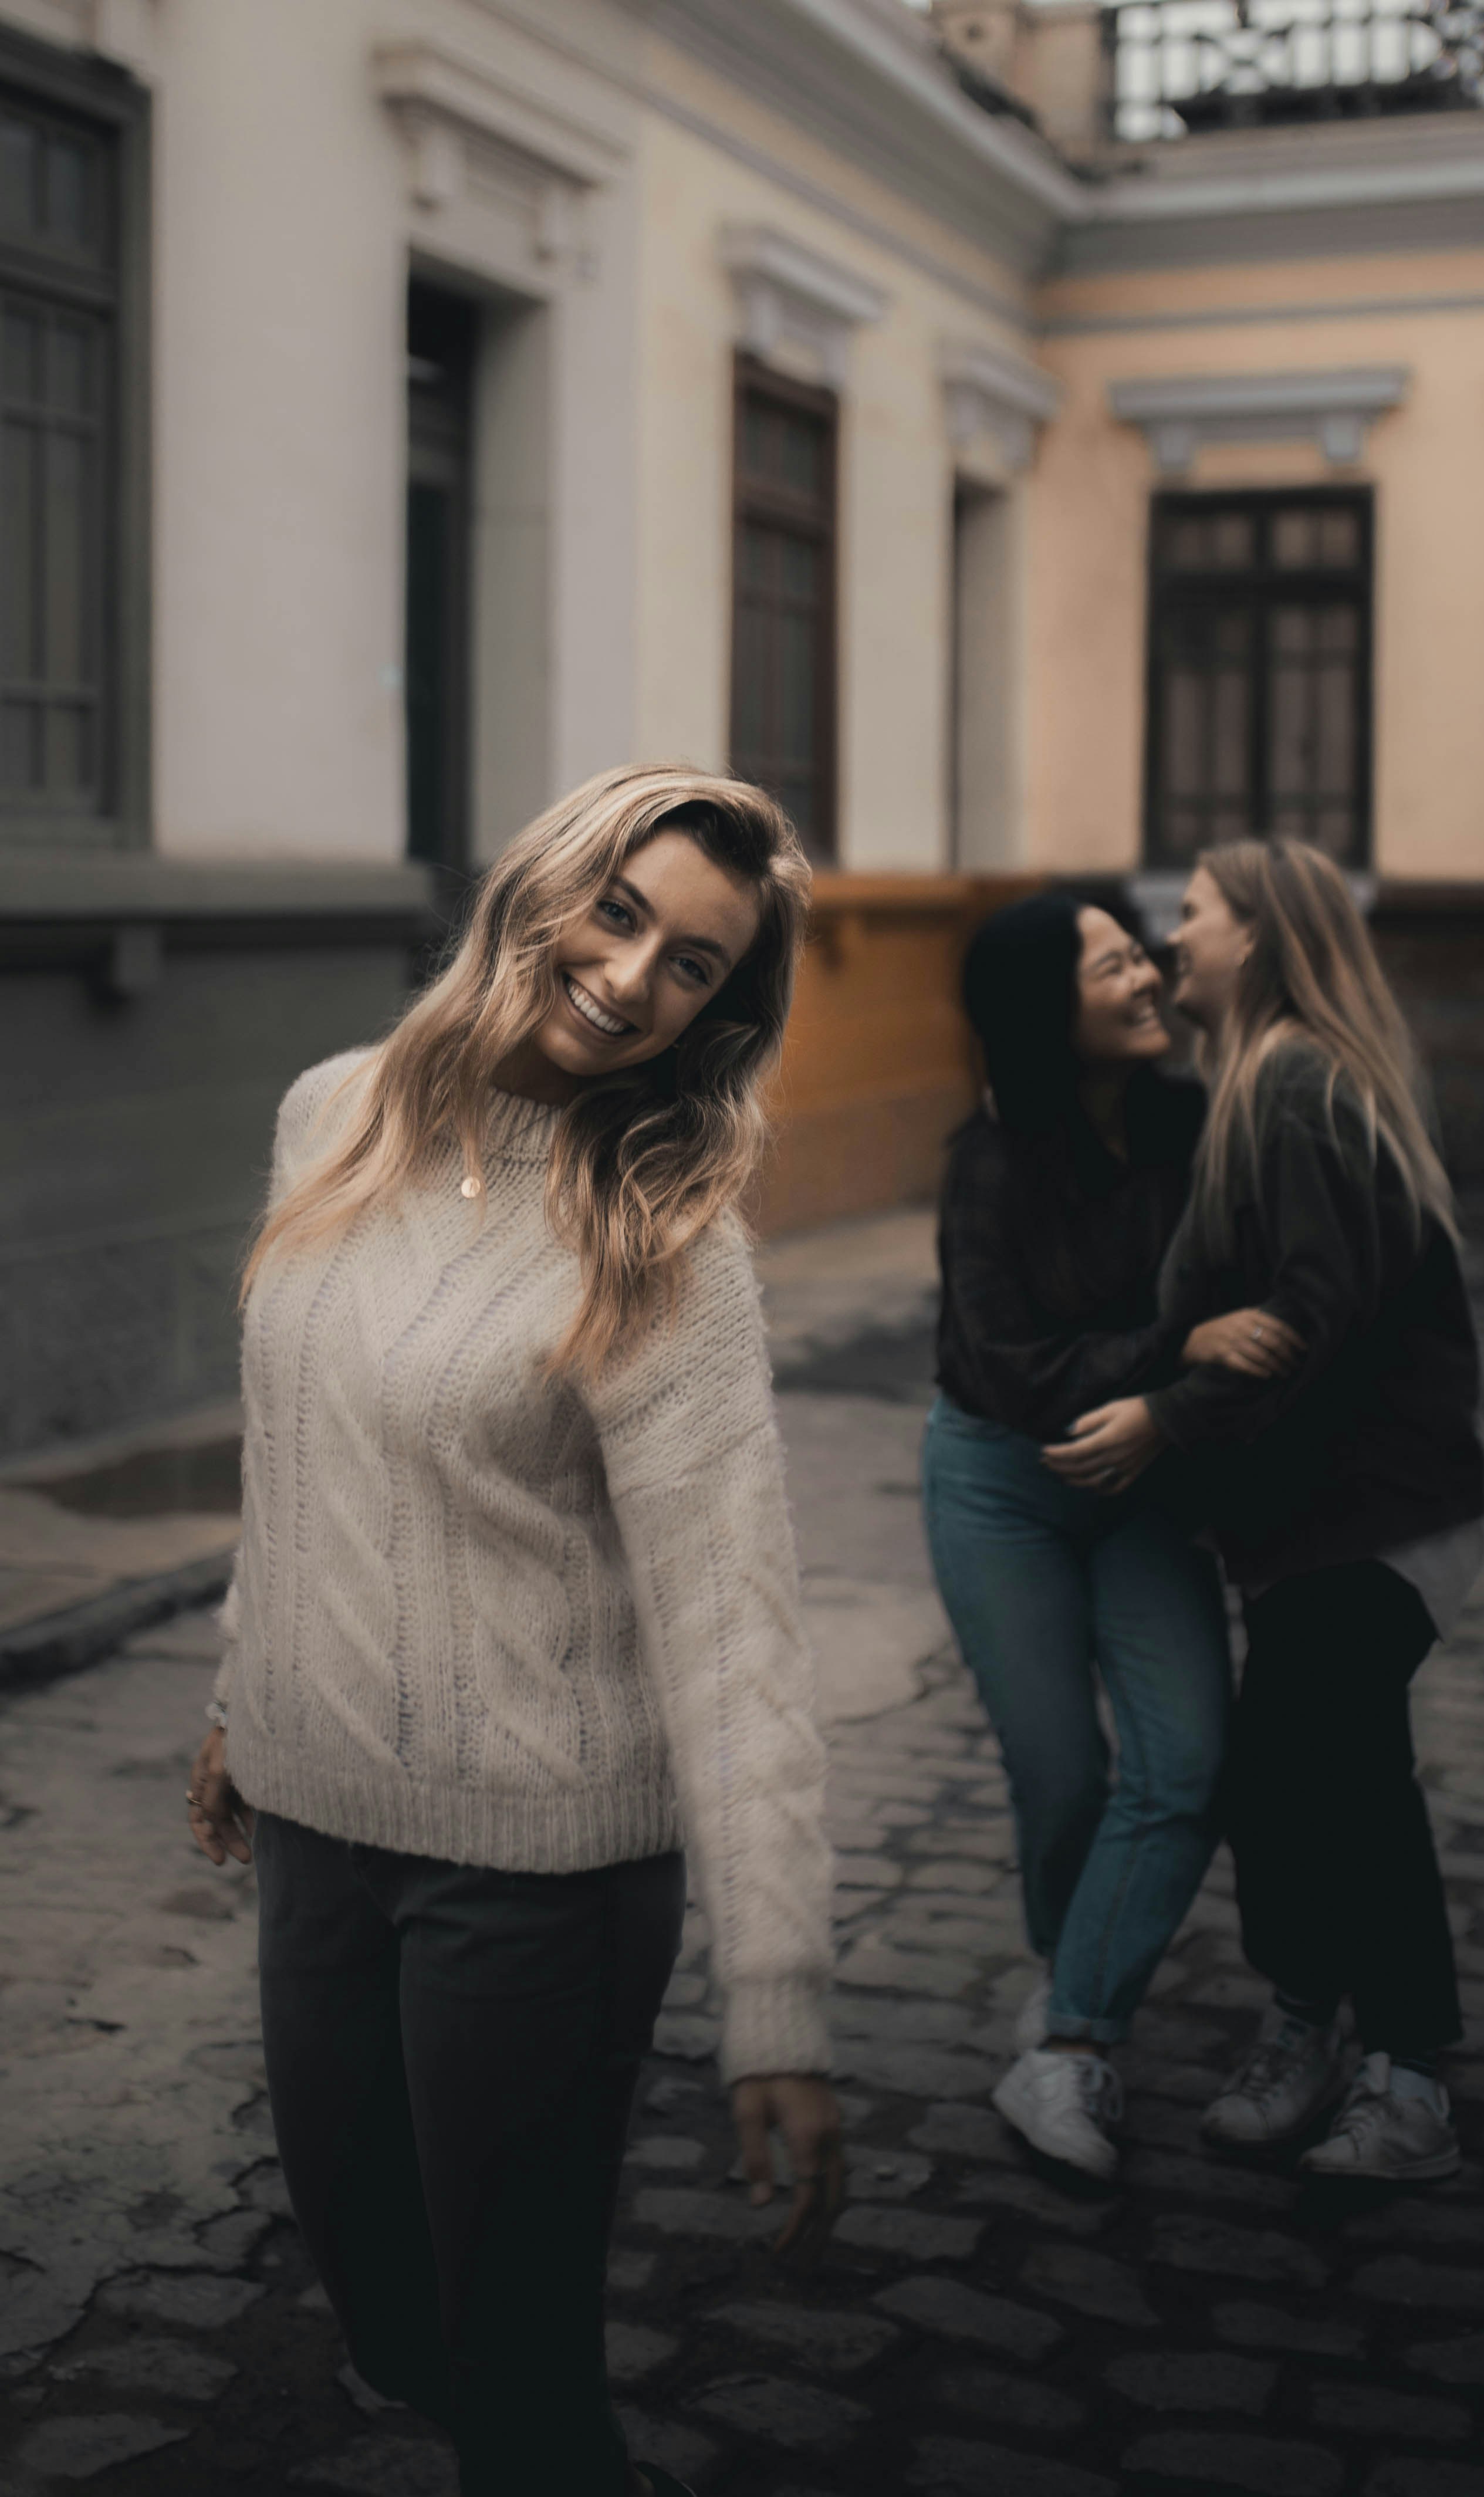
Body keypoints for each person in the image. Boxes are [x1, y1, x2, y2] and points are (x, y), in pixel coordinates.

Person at [184, 765, 843, 2497]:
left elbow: (734, 1625)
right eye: (617, 914)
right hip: (315, 1829)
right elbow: (296, 1441)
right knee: (385, 2313)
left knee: (517, 2374)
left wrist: (776, 2000)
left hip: (541, 1871)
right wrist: (244, 1688)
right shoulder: (330, 1112)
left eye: (692, 964)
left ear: (720, 1011)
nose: (631, 979)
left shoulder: (663, 1238)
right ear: (538, 888)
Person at [1044, 838, 1484, 2184]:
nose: (1174, 937)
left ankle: (1403, 2077)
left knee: (1333, 1781)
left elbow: (1312, 1317)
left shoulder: (1296, 1084)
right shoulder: (1257, 1081)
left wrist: (1162, 1419)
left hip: (1373, 1517)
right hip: (1317, 1525)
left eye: (1199, 915)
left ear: (1264, 939)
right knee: (1297, 1783)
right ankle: (1317, 2028)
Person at [921, 888, 1301, 2182]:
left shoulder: (1194, 1125)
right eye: (1111, 967)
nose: (1146, 977)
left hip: (1146, 1483)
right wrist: (1172, 1354)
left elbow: (1251, 1289)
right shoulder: (988, 1163)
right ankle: (1073, 2001)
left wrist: (1167, 1400)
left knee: (1187, 1762)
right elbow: (1014, 1371)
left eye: (1142, 953)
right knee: (1064, 1775)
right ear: (1045, 1009)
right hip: (1002, 1485)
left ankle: (1067, 2033)